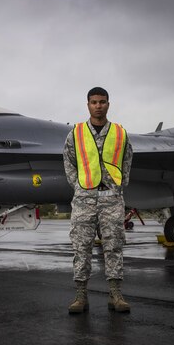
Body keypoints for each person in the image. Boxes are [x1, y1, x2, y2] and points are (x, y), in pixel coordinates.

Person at [63, 87, 133, 314]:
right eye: (94, 102)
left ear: (108, 104)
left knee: (114, 247)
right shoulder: (76, 133)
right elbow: (69, 162)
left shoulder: (120, 133)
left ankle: (115, 294)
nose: (98, 106)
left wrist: (119, 186)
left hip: (111, 198)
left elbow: (127, 160)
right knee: (81, 248)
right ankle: (80, 296)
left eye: (102, 102)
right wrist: (79, 186)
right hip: (84, 199)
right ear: (88, 105)